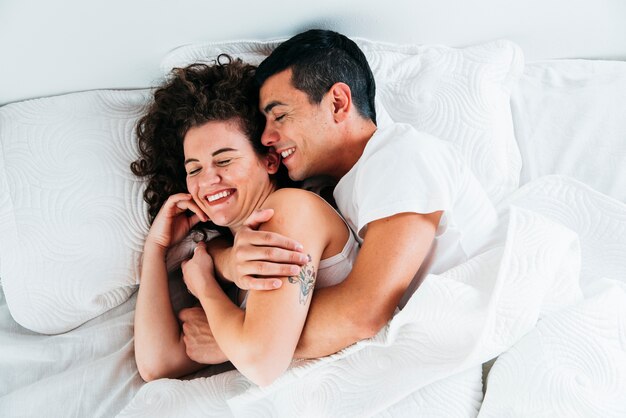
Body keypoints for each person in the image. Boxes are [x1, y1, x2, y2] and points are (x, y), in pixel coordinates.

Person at [181, 29, 499, 361]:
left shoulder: (403, 156)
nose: (267, 137)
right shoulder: (341, 187)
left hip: (474, 329)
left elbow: (363, 314)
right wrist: (221, 257)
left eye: (279, 116)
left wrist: (234, 338)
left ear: (338, 103)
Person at [130, 57, 359, 386]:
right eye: (194, 168)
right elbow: (158, 364)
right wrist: (155, 248)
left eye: (224, 159)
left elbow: (261, 362)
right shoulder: (232, 256)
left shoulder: (288, 209)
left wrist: (208, 293)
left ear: (268, 160)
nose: (209, 179)